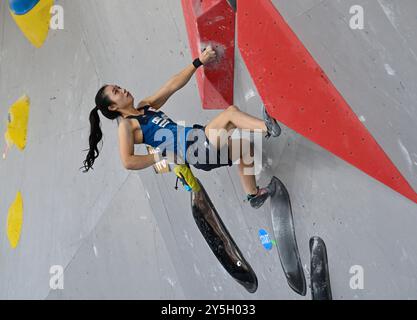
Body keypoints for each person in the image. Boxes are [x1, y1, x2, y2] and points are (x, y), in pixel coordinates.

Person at [81, 46, 282, 209]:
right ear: (113, 106)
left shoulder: (144, 106)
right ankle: (268, 128)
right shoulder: (126, 126)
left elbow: (171, 86)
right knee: (230, 114)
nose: (123, 90)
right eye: (117, 91)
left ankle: (253, 195)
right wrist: (162, 157)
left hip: (197, 145)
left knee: (243, 147)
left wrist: (198, 62)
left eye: (119, 86)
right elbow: (128, 162)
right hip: (193, 149)